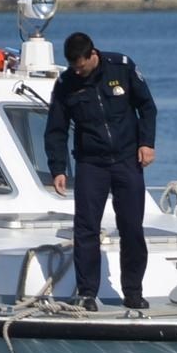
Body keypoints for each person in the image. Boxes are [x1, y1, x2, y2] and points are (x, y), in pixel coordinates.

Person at [44, 32, 157, 311]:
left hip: (127, 160)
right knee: (86, 229)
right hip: (91, 163)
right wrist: (58, 168)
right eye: (73, 67)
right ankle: (87, 293)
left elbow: (147, 107)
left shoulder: (121, 66)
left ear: (92, 54)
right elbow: (55, 130)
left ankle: (133, 291)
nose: (78, 71)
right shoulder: (66, 83)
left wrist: (147, 143)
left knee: (131, 227)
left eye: (81, 66)